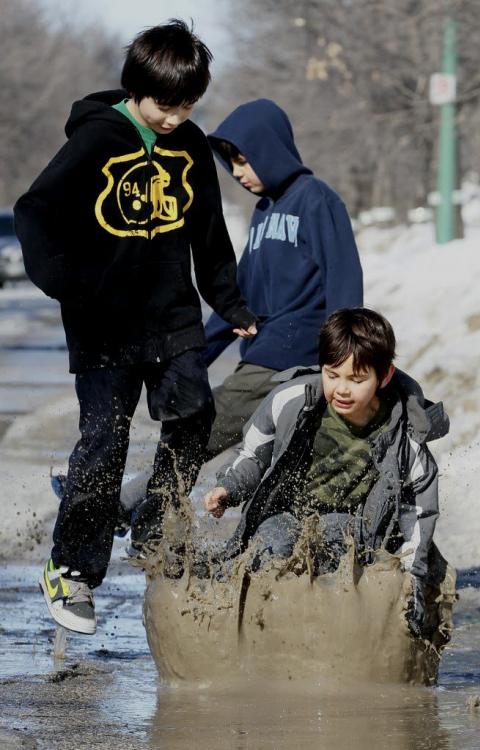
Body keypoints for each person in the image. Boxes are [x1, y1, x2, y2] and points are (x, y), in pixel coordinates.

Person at [14, 20, 256, 635]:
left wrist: (230, 304)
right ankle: (71, 570)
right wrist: (69, 284)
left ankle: (154, 533)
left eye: (187, 106)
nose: (174, 119)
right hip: (103, 324)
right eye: (164, 106)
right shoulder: (96, 139)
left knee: (192, 419)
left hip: (171, 315)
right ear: (136, 89)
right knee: (105, 442)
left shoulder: (191, 145)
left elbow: (208, 232)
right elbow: (34, 210)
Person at [204, 308, 449, 638]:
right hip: (286, 514)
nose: (343, 389)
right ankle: (262, 634)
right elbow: (252, 455)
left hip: (360, 529)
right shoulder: (292, 401)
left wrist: (413, 583)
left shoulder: (407, 437)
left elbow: (419, 513)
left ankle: (336, 636)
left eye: (357, 380)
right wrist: (228, 487)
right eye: (332, 375)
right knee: (271, 542)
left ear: (385, 376)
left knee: (351, 540)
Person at [203, 99, 363, 457]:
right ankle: (145, 505)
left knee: (198, 428)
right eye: (230, 162)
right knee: (249, 456)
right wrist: (195, 355)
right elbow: (240, 297)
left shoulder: (316, 199)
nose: (236, 171)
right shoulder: (263, 211)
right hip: (264, 351)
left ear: (268, 149)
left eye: (242, 159)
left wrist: (343, 363)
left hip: (293, 352)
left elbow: (344, 282)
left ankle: (122, 504)